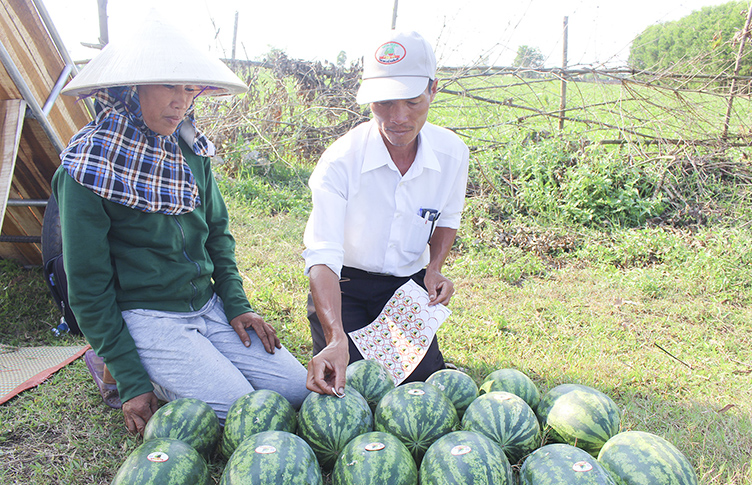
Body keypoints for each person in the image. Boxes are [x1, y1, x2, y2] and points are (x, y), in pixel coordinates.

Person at [53, 15, 309, 436]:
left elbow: (218, 236)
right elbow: (87, 286)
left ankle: (184, 356)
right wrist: (135, 384)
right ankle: (119, 361)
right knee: (240, 414)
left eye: (190, 89)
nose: (182, 102)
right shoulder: (87, 169)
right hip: (146, 314)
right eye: (170, 86)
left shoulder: (190, 153)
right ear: (130, 89)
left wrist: (237, 304)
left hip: (207, 306)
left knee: (296, 392)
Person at [303, 30, 469, 397]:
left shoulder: (452, 153)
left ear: (433, 90)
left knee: (418, 391)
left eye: (412, 102)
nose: (398, 118)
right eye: (384, 103)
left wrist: (434, 267)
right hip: (344, 286)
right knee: (359, 389)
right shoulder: (340, 162)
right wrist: (335, 336)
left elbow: (446, 218)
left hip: (403, 290)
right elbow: (323, 257)